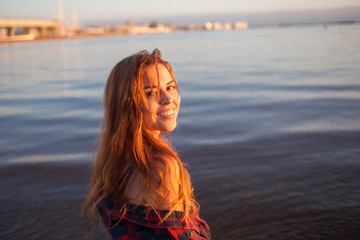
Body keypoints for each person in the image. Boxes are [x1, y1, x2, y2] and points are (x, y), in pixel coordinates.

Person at [82, 49, 211, 240]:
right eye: (150, 93)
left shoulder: (112, 160)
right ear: (127, 103)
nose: (169, 100)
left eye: (170, 87)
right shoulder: (162, 167)